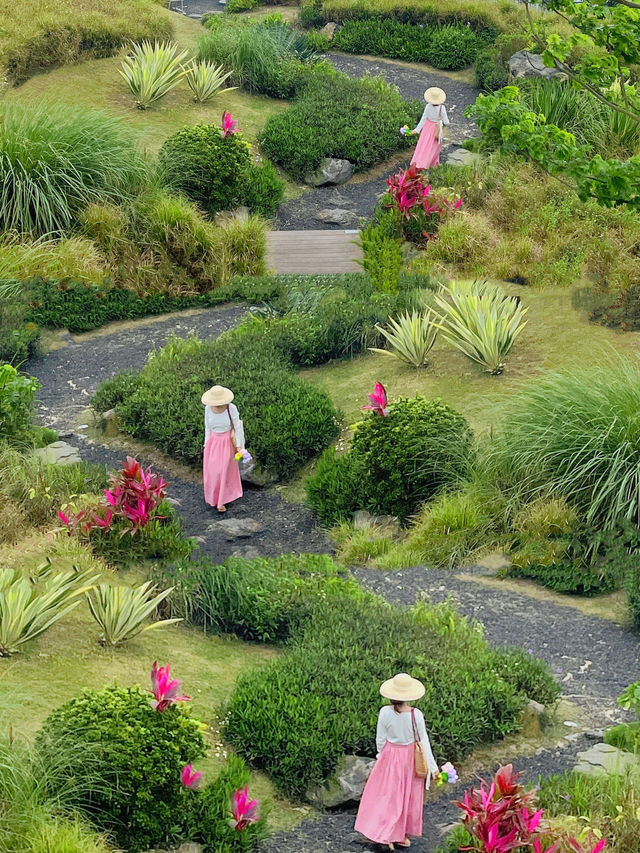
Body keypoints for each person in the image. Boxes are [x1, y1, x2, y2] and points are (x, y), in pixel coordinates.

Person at [354, 673, 439, 851]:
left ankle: (387, 835)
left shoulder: (384, 712)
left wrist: (382, 757)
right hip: (409, 758)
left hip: (389, 756)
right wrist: (432, 767)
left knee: (388, 796)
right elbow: (423, 742)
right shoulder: (416, 715)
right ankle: (400, 835)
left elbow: (380, 739)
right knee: (407, 796)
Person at [201, 384, 245, 513]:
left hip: (227, 443)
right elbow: (207, 428)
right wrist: (206, 445)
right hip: (213, 443)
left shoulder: (231, 408)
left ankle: (221, 501)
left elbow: (238, 427)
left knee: (224, 471)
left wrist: (239, 446)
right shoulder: (208, 409)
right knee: (213, 472)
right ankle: (214, 498)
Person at [410, 87, 450, 170]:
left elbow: (423, 119)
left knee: (423, 146)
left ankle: (419, 162)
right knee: (433, 147)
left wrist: (417, 130)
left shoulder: (428, 106)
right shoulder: (442, 108)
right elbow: (446, 122)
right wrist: (441, 123)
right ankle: (431, 163)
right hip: (436, 129)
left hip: (427, 128)